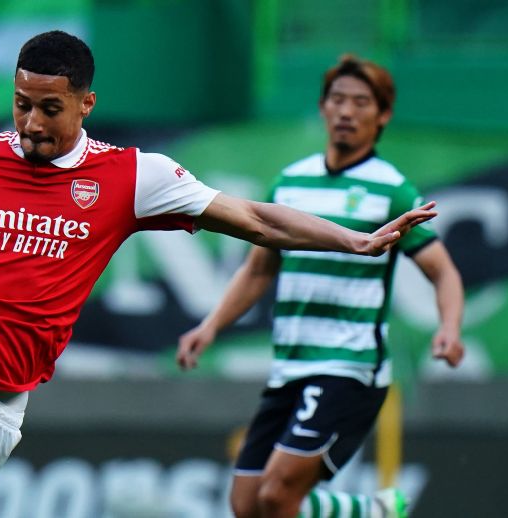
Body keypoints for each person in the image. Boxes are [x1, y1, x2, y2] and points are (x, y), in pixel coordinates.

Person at [0, 31, 439, 517]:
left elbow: (258, 219)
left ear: (86, 103)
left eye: (49, 108)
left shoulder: (132, 177)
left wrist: (352, 240)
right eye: (22, 103)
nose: (30, 122)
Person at [174, 54, 465, 518]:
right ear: (323, 107)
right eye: (338, 99)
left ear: (382, 114)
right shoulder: (290, 183)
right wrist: (210, 327)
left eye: (361, 102)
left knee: (277, 494)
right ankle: (369, 511)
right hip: (290, 364)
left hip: (348, 366)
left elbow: (443, 271)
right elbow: (257, 271)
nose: (347, 111)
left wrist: (449, 326)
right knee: (246, 504)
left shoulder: (391, 190)